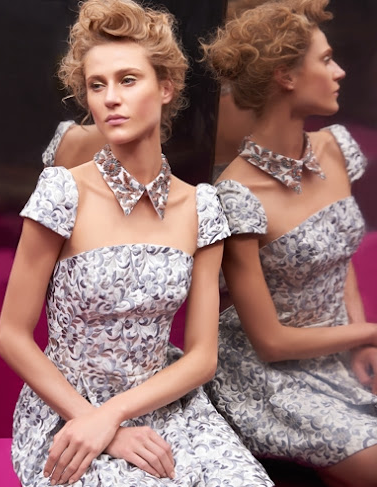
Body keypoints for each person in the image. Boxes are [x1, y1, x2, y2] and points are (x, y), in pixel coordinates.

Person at [0, 1, 273, 485]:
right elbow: (12, 336)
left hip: (166, 405)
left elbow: (202, 356)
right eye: (96, 85)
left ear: (165, 88)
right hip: (69, 411)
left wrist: (115, 415)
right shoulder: (62, 191)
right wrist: (98, 424)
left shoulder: (202, 206)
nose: (110, 99)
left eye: (127, 80)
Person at [201, 0, 377, 485]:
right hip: (271, 376)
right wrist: (369, 332)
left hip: (342, 348)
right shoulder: (236, 196)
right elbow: (273, 343)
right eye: (326, 60)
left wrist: (361, 341)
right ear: (285, 76)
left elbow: (338, 258)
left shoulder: (336, 148)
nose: (339, 72)